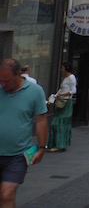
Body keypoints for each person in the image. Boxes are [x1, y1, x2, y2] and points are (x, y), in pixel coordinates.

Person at [0, 58, 47, 207]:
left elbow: (41, 121)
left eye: (7, 81)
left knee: (6, 194)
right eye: (0, 80)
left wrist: (41, 148)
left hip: (18, 155)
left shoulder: (35, 91)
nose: (3, 84)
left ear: (19, 74)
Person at [46, 62, 76, 152]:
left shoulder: (71, 77)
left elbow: (73, 90)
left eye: (62, 68)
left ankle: (60, 144)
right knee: (57, 123)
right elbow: (61, 89)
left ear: (66, 68)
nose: (61, 69)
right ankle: (57, 143)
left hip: (66, 102)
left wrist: (61, 95)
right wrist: (54, 97)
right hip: (62, 101)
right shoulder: (65, 78)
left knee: (60, 123)